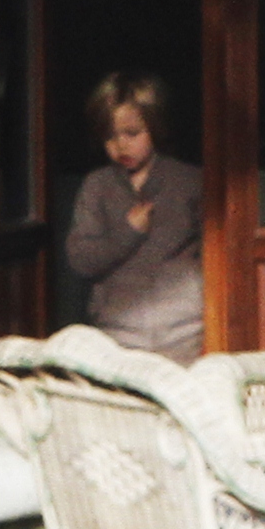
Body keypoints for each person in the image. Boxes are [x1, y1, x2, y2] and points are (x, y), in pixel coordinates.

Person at [65, 70, 203, 366]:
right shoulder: (97, 186)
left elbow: (217, 253)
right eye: (110, 136)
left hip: (185, 333)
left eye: (132, 133)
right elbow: (80, 259)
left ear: (155, 128)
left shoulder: (189, 182)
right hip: (119, 336)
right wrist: (127, 233)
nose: (121, 145)